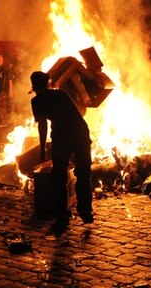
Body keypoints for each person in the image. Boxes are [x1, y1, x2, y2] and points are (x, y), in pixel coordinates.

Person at [29, 71, 93, 231]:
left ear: (34, 86)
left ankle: (62, 217)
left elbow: (42, 124)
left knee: (58, 176)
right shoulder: (61, 94)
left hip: (63, 136)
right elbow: (75, 114)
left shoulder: (36, 101)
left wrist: (43, 146)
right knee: (83, 172)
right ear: (47, 83)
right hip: (80, 132)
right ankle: (85, 210)